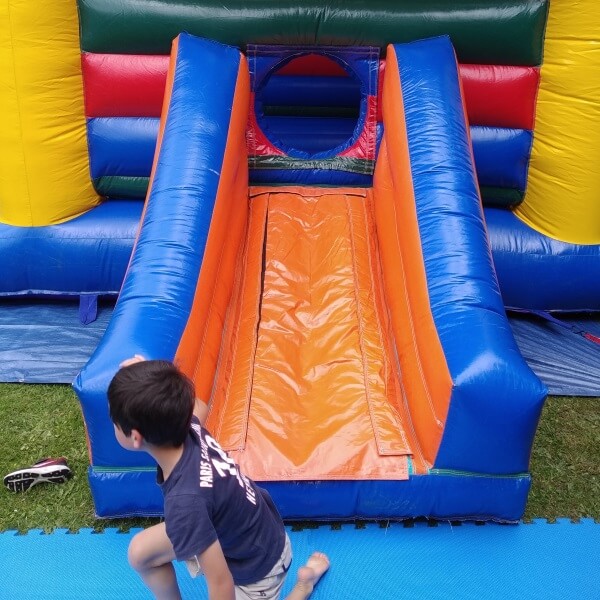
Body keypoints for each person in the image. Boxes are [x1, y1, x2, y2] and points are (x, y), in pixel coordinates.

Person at [108, 355, 329, 600]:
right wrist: (152, 380)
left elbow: (221, 584)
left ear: (135, 437)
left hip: (257, 569)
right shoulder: (188, 426)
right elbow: (199, 405)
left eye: (114, 423)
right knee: (141, 552)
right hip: (243, 531)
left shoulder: (185, 503)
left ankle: (302, 588)